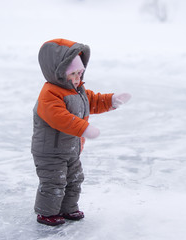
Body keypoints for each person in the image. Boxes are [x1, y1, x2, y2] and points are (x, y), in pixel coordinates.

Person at [31, 38, 131, 226]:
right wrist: (84, 128)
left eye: (80, 73)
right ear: (59, 73)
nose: (78, 78)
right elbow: (60, 118)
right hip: (50, 152)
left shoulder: (78, 90)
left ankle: (68, 208)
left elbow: (92, 101)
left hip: (71, 149)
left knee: (74, 179)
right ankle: (47, 213)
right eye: (73, 74)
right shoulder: (49, 95)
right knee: (54, 182)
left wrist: (111, 101)